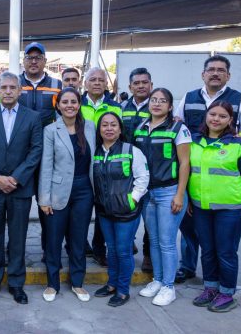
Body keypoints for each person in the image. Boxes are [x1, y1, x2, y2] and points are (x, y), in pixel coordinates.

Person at [175, 55, 241, 284]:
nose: (215, 73)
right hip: (195, 179)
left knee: (223, 247)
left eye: (221, 70)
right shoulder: (189, 97)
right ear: (203, 74)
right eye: (211, 69)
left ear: (228, 75)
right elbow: (177, 126)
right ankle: (188, 267)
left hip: (225, 183)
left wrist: (229, 146)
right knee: (190, 230)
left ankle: (224, 288)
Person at [0, 71, 43, 305]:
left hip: (19, 188)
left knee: (17, 237)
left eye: (12, 87)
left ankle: (16, 284)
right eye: (4, 87)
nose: (7, 91)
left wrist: (15, 178)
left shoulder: (33, 117)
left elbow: (36, 151)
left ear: (20, 91)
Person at [190, 101, 241, 312]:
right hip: (200, 206)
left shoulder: (239, 145)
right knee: (207, 250)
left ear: (230, 120)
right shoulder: (194, 141)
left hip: (231, 208)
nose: (216, 119)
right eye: (212, 114)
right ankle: (211, 288)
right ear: (206, 115)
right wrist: (188, 199)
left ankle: (227, 293)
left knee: (226, 252)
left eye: (222, 116)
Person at [134, 88, 191, 306]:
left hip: (169, 191)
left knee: (167, 242)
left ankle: (169, 286)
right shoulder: (141, 127)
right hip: (149, 193)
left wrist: (179, 194)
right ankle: (158, 280)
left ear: (170, 106)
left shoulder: (178, 128)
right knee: (155, 241)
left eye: (163, 101)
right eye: (154, 100)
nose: (157, 104)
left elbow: (185, 163)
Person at [38, 87, 96, 303]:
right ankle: (52, 284)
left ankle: (77, 282)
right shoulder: (51, 130)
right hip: (58, 190)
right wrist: (44, 199)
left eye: (74, 101)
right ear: (58, 105)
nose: (70, 105)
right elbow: (46, 166)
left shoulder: (90, 127)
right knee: (53, 239)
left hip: (84, 190)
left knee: (78, 238)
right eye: (65, 102)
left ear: (79, 104)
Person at [92, 112, 149, 307]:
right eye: (105, 125)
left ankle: (123, 290)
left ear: (119, 128)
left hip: (127, 212)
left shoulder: (131, 150)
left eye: (113, 125)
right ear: (99, 130)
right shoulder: (96, 152)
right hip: (105, 211)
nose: (109, 128)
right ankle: (111, 284)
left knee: (124, 251)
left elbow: (143, 178)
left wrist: (132, 200)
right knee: (112, 249)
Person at [18, 42, 62, 262]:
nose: (33, 61)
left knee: (47, 206)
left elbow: (63, 116)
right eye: (29, 57)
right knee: (19, 208)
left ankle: (49, 250)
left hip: (47, 155)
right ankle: (16, 249)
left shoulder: (56, 84)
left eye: (38, 57)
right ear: (23, 60)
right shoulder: (13, 83)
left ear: (45, 61)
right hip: (20, 156)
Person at [81, 67, 122, 267]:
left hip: (107, 162)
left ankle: (99, 248)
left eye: (100, 80)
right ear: (85, 83)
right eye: (92, 79)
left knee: (104, 207)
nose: (97, 83)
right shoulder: (76, 104)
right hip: (82, 163)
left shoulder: (115, 107)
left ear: (106, 83)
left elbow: (121, 133)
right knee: (82, 208)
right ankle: (79, 245)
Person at [122, 67, 153, 273]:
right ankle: (128, 241)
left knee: (149, 217)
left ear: (151, 84)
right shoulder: (121, 107)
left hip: (152, 168)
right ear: (130, 86)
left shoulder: (158, 105)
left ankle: (149, 254)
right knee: (126, 207)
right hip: (125, 167)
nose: (140, 86)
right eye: (136, 83)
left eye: (144, 82)